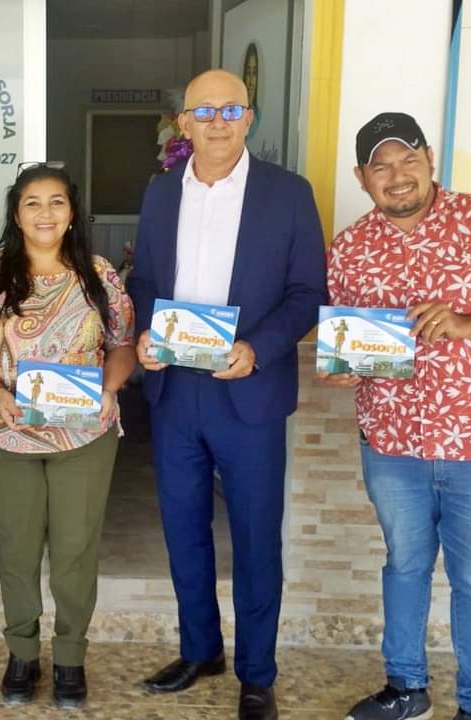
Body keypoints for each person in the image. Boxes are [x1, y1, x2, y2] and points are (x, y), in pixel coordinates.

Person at [321, 112, 471, 720]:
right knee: (403, 567)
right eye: (381, 166)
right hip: (392, 443)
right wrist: (345, 368)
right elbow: (349, 343)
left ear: (429, 159)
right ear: (362, 177)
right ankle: (407, 689)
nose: (397, 175)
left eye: (408, 159)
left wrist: (465, 324)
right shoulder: (349, 248)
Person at [126, 69, 326, 720]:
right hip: (175, 392)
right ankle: (200, 650)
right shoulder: (161, 193)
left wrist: (257, 348)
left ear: (249, 118)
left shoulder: (288, 194)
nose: (218, 121)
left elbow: (308, 293)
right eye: (205, 111)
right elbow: (145, 280)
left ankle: (257, 674)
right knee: (184, 530)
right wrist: (146, 333)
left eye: (231, 109)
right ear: (183, 122)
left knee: (255, 538)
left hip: (250, 392)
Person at [0, 162, 136, 709]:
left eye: (56, 202)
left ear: (72, 213)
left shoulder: (98, 274)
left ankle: (71, 656)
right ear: (16, 214)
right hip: (6, 433)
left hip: (84, 436)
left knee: (76, 550)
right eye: (32, 202)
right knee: (17, 550)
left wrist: (109, 388)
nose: (45, 213)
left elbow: (123, 345)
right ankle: (22, 652)